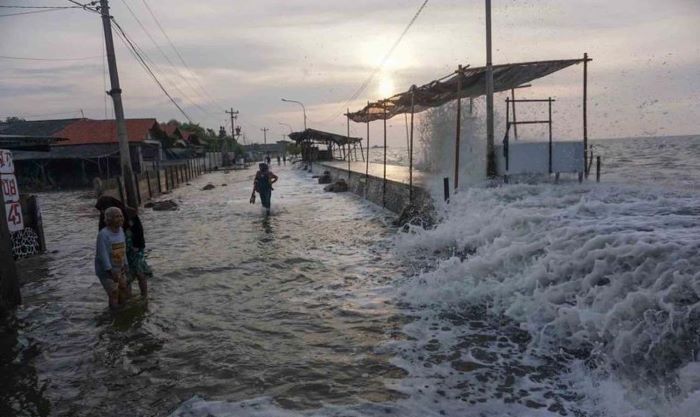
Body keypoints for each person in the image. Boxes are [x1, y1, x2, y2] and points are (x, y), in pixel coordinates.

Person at [95, 196, 150, 299]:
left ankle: (144, 297)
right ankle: (127, 299)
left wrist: (138, 246)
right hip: (118, 250)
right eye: (100, 210)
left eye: (103, 208)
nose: (102, 211)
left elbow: (139, 230)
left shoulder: (127, 212)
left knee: (140, 272)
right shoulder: (105, 216)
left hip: (134, 246)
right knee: (125, 277)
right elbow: (102, 240)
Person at [94, 207, 129, 309]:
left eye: (121, 216)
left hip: (119, 267)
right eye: (116, 216)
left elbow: (123, 249)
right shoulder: (103, 234)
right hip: (106, 270)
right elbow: (102, 254)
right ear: (109, 219)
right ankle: (114, 315)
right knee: (113, 292)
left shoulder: (121, 231)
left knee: (123, 289)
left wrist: (126, 264)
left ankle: (123, 311)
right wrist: (110, 271)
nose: (120, 218)